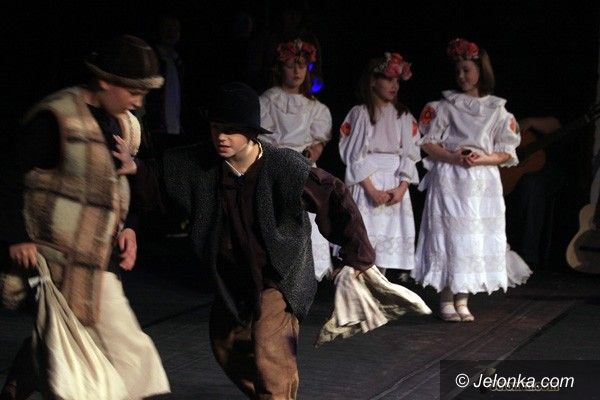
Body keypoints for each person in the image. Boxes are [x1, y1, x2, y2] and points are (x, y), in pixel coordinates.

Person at [163, 82, 375, 399]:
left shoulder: (282, 166)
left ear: (251, 132)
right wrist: (132, 166)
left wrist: (358, 256)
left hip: (279, 275)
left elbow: (333, 196)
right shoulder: (202, 164)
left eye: (231, 130)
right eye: (216, 128)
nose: (221, 137)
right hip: (233, 278)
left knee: (270, 349)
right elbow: (159, 171)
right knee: (226, 345)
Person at [0, 34, 170, 399]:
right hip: (56, 259)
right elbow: (9, 176)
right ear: (105, 81)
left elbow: (121, 186)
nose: (139, 101)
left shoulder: (124, 124)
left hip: (99, 258)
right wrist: (16, 235)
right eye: (133, 91)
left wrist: (130, 227)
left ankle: (20, 383)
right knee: (98, 350)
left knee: (105, 345)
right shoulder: (57, 118)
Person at [412, 38, 532, 322]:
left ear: (480, 70)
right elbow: (428, 143)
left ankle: (463, 298)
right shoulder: (445, 106)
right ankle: (446, 297)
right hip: (451, 178)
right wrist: (454, 157)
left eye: (467, 70)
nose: (462, 76)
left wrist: (482, 158)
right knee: (451, 235)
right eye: (458, 71)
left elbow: (506, 151)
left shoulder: (496, 109)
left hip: (481, 181)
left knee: (473, 237)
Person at [338, 52, 420, 282]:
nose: (394, 85)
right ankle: (357, 294)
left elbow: (411, 153)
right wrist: (371, 190)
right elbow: (353, 154)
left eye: (397, 81)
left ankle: (378, 293)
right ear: (373, 81)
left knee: (386, 244)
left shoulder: (404, 116)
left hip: (394, 181)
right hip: (368, 182)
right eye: (388, 79)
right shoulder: (361, 113)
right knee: (364, 240)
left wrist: (402, 187)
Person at [258, 37, 334, 280]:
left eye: (301, 66)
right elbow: (262, 139)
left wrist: (312, 153)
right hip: (277, 164)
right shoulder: (269, 100)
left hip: (304, 166)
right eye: (291, 65)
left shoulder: (314, 107)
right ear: (280, 68)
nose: (297, 71)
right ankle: (279, 269)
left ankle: (305, 271)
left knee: (306, 215)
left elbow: (318, 141)